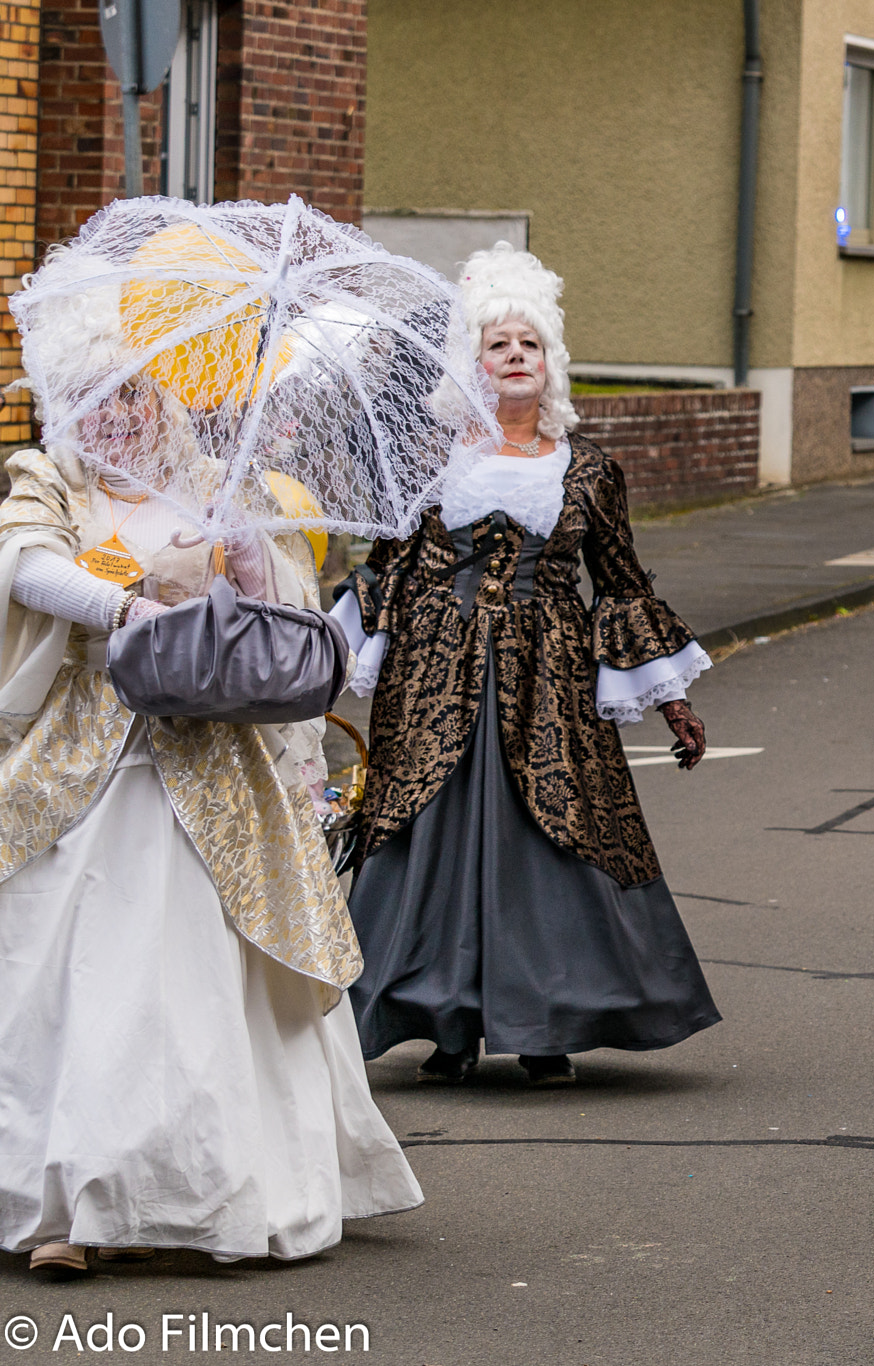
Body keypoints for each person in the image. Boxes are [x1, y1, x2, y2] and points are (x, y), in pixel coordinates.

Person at [0, 263, 421, 1275]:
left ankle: (205, 1192)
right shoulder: (45, 480)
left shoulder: (223, 490)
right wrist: (130, 609)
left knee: (192, 984)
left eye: (134, 395)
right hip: (80, 766)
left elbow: (284, 636)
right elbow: (23, 567)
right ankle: (62, 1208)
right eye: (94, 400)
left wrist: (247, 562)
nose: (115, 419)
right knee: (62, 976)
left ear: (163, 400)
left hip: (210, 771)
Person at [339, 244, 721, 1088]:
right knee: (431, 840)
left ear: (551, 363)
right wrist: (314, 659)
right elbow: (385, 573)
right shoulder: (432, 465)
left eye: (530, 344)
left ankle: (546, 1026)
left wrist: (673, 704)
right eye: (498, 344)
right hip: (436, 678)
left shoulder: (586, 471)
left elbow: (621, 585)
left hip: (550, 684)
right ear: (471, 364)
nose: (516, 355)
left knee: (550, 840)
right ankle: (445, 1024)